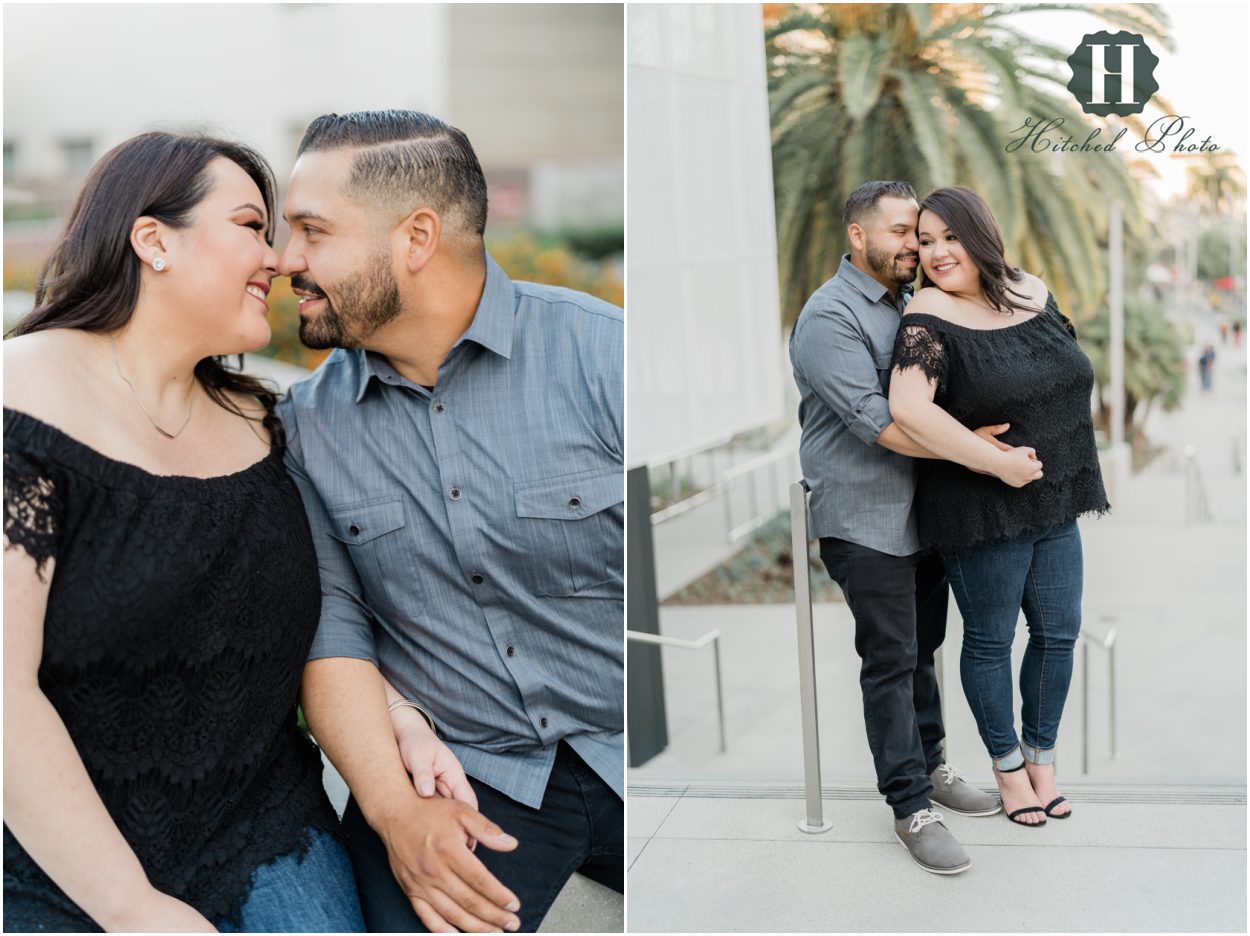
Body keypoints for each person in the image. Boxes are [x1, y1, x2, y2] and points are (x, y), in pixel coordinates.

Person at [3, 132, 364, 931]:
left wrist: (397, 720)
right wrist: (133, 909)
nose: (277, 259)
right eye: (249, 225)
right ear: (152, 240)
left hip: (264, 831)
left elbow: (322, 611)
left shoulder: (264, 420)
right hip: (57, 858)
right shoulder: (18, 406)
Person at [275, 110, 624, 933]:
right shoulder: (305, 426)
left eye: (311, 232)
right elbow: (332, 635)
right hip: (470, 775)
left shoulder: (605, 360)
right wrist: (396, 812)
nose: (284, 260)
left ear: (417, 237)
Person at [789, 180, 1039, 876]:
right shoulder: (828, 318)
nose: (917, 247)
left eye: (923, 235)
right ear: (858, 235)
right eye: (904, 233)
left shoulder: (913, 305)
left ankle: (931, 767)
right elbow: (884, 426)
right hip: (864, 519)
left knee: (924, 649)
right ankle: (909, 806)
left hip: (923, 512)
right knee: (891, 659)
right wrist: (984, 455)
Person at [889, 185, 1109, 827]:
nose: (936, 252)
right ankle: (1009, 772)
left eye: (949, 237)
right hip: (979, 507)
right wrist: (995, 462)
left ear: (981, 234)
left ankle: (1043, 761)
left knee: (1059, 633)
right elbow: (908, 408)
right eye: (925, 242)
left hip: (1054, 499)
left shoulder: (1031, 291)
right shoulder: (927, 313)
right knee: (990, 642)